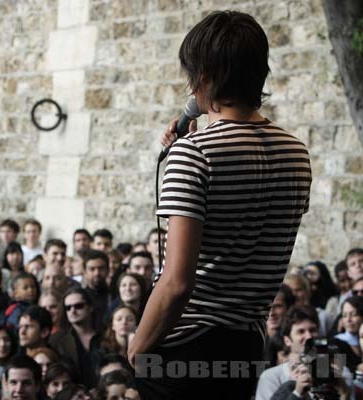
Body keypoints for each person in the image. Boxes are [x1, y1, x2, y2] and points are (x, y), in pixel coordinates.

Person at [129, 11, 312, 399]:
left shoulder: (194, 154)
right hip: (244, 347)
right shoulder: (297, 153)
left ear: (206, 78)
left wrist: (139, 345)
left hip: (182, 347)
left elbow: (178, 283)